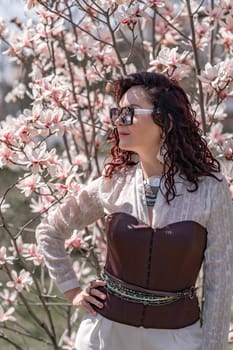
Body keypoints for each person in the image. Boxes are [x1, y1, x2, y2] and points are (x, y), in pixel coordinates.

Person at [36, 72, 233, 350]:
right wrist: (74, 291)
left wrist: (213, 346)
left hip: (178, 340)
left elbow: (220, 280)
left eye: (129, 113)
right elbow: (50, 230)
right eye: (117, 112)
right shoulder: (114, 183)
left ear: (165, 119)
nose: (119, 121)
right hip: (106, 336)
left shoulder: (210, 189)